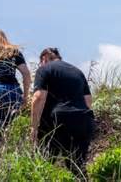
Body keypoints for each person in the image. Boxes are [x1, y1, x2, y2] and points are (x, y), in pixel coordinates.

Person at [31, 47, 94, 175]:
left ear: (44, 58)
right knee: (77, 167)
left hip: (57, 121)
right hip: (83, 119)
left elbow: (38, 97)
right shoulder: (77, 72)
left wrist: (34, 127)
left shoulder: (44, 69)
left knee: (43, 165)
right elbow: (88, 101)